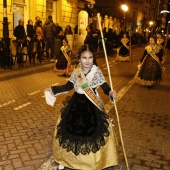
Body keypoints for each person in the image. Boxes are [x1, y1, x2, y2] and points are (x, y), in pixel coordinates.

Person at [45, 44, 118, 170]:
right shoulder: (77, 71)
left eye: (90, 57)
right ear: (79, 58)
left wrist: (110, 92)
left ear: (93, 58)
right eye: (84, 58)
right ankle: (71, 160)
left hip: (92, 106)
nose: (87, 61)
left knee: (93, 133)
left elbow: (104, 86)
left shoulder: (96, 71)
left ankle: (93, 162)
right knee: (71, 132)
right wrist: (52, 89)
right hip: (76, 104)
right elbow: (68, 87)